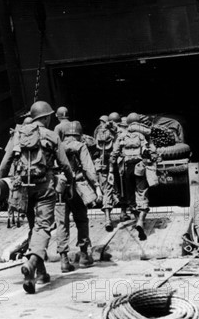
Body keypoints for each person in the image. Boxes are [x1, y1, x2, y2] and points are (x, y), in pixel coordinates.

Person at [0, 101, 74, 294]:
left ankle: (39, 274)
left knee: (33, 227)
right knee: (43, 227)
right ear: (46, 118)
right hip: (44, 187)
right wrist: (69, 181)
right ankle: (31, 264)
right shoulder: (50, 135)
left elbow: (5, 163)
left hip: (22, 187)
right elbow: (64, 164)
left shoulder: (17, 135)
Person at [56, 121, 102, 272]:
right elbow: (88, 168)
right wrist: (96, 186)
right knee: (81, 219)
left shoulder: (57, 145)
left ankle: (63, 260)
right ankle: (83, 255)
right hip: (77, 188)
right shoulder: (80, 146)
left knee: (62, 222)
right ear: (78, 135)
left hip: (60, 188)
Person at [110, 112, 159, 240]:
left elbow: (114, 154)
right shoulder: (144, 135)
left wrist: (111, 168)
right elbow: (153, 152)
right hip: (140, 168)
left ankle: (136, 219)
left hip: (126, 169)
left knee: (130, 195)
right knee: (142, 193)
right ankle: (140, 221)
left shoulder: (122, 135)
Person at [93, 116, 119, 232]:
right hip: (114, 165)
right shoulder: (115, 133)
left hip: (102, 164)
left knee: (106, 189)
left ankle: (108, 217)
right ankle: (115, 216)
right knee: (116, 189)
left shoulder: (97, 133)